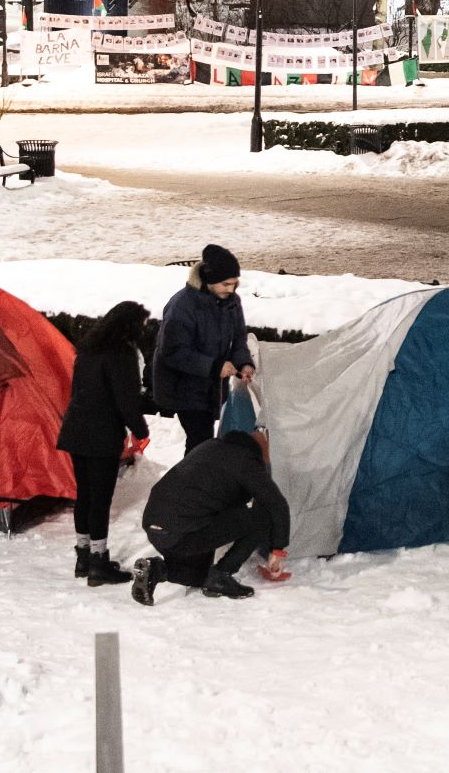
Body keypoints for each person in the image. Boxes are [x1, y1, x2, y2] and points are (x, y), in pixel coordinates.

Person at [131, 401, 291, 603]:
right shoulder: (246, 461)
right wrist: (278, 549)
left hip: (157, 526)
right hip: (182, 530)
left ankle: (157, 569)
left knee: (198, 576)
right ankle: (222, 575)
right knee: (261, 516)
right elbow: (276, 504)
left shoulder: (211, 447)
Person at [56, 300, 151, 587]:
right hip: (102, 434)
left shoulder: (87, 350)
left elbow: (77, 391)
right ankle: (99, 563)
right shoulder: (121, 354)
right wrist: (140, 429)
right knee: (100, 499)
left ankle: (83, 557)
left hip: (76, 430)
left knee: (84, 495)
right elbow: (127, 399)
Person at [151, 244, 254, 452]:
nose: (231, 289)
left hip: (210, 386)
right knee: (200, 441)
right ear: (210, 280)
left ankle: (195, 481)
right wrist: (215, 366)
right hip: (182, 387)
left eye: (234, 284)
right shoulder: (182, 306)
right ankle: (190, 483)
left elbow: (238, 338)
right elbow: (172, 352)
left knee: (205, 442)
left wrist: (244, 362)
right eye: (225, 284)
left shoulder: (231, 302)